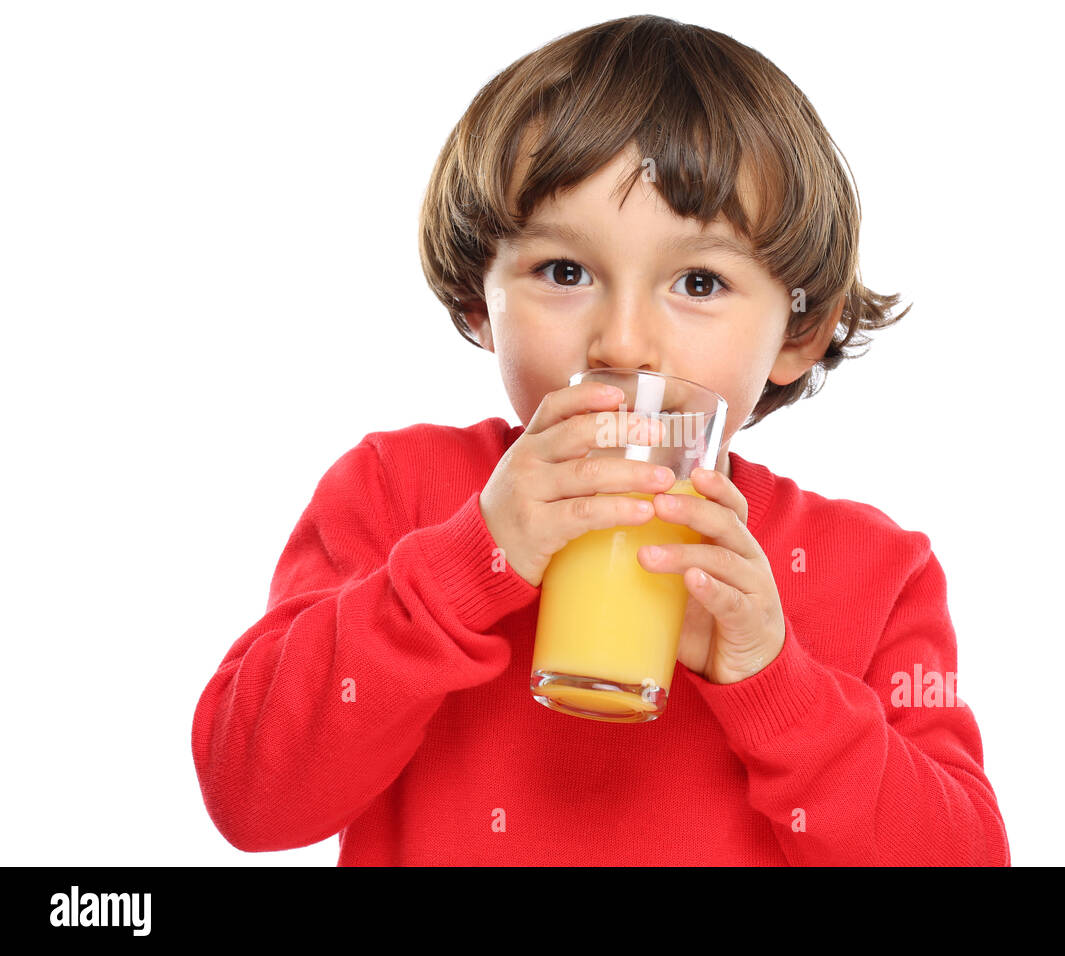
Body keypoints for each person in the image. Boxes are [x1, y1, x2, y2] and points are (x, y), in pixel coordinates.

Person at [192, 14, 1010, 866]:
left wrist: (774, 682)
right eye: (564, 272)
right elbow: (249, 797)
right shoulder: (396, 489)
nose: (623, 343)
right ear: (481, 298)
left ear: (800, 335)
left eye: (699, 281)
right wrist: (468, 565)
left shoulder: (875, 569)